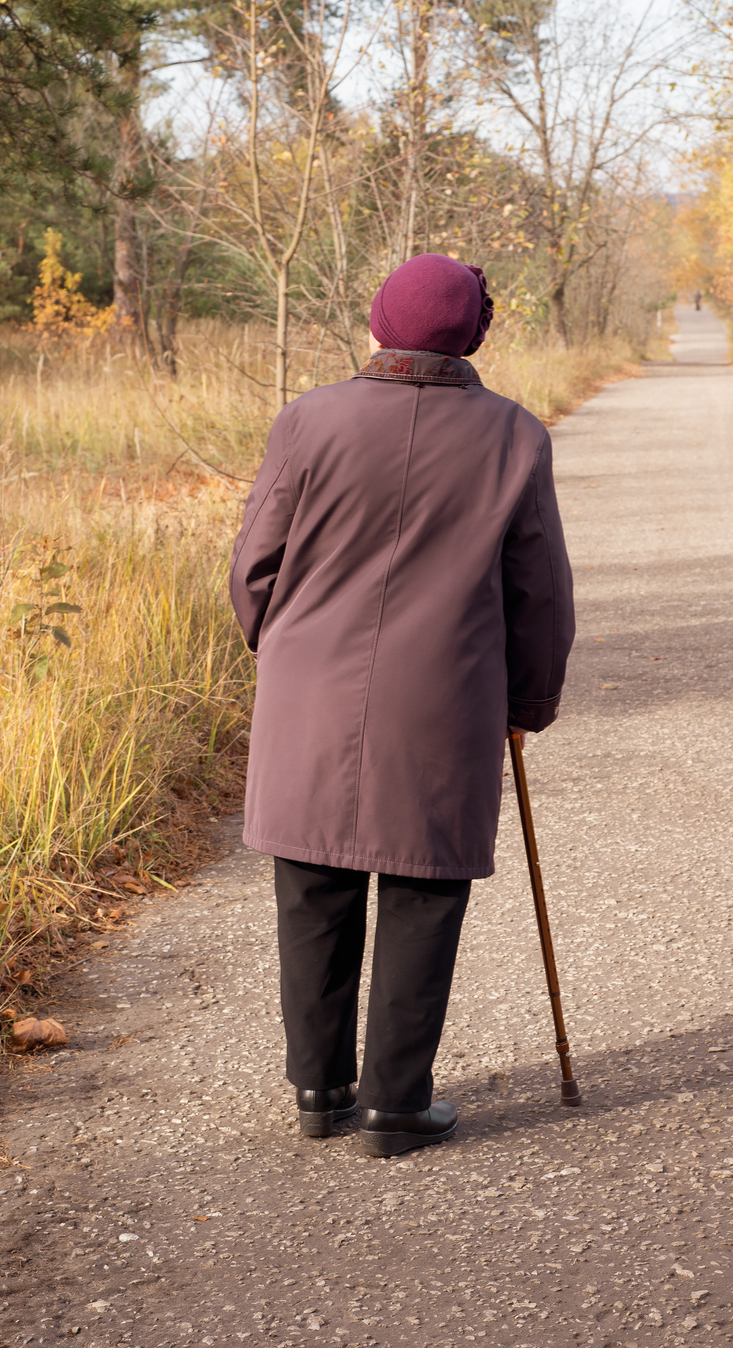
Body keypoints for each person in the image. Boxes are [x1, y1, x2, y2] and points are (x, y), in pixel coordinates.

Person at [228, 252, 576, 1158]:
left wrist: (279, 641)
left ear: (379, 325)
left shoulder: (308, 419)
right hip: (443, 696)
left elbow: (253, 564)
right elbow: (537, 588)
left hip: (309, 687)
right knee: (423, 889)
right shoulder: (513, 436)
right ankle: (393, 1105)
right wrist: (528, 699)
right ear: (472, 336)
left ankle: (319, 1090)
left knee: (311, 882)